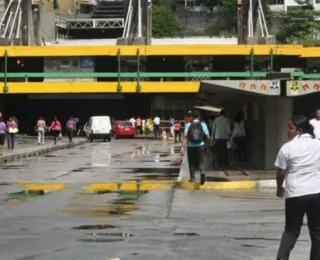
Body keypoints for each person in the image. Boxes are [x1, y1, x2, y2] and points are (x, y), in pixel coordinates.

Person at [275, 115, 320, 260]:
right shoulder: (318, 144)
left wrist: (279, 188)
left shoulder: (288, 147)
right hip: (316, 192)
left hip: (295, 194)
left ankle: (282, 257)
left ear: (299, 130)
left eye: (290, 128)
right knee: (317, 231)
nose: (287, 130)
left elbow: (281, 172)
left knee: (291, 230)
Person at [181, 110, 210, 185]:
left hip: (190, 147)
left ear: (192, 117)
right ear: (199, 117)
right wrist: (205, 146)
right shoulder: (203, 125)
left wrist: (182, 147)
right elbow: (208, 137)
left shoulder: (188, 125)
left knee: (191, 162)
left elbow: (185, 136)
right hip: (200, 146)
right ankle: (202, 172)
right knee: (201, 162)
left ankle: (192, 178)